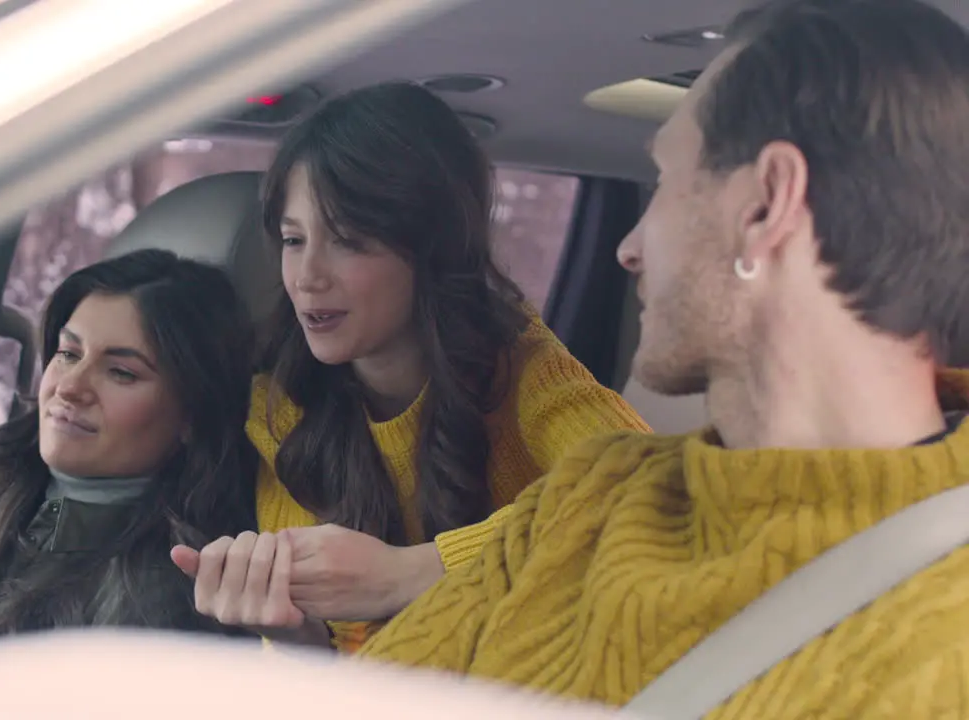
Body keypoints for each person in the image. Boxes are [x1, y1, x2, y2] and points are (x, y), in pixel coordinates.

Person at [357, 0, 969, 716]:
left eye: (667, 185)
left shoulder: (943, 647)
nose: (630, 248)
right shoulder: (594, 489)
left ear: (766, 206)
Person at [171, 82, 650, 652]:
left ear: (432, 247)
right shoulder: (280, 406)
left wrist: (408, 573)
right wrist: (295, 634)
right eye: (293, 240)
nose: (306, 276)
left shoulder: (521, 366)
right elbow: (341, 675)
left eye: (348, 240)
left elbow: (654, 493)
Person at [0, 249, 259, 639]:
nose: (69, 387)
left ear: (192, 414)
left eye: (121, 372)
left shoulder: (165, 599)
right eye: (68, 354)